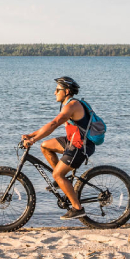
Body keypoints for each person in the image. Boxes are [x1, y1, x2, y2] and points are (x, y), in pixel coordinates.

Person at [22, 76, 96, 220]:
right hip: (73, 141)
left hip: (81, 146)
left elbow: (54, 123)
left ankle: (77, 208)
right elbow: (51, 124)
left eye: (57, 90)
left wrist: (33, 140)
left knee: (57, 174)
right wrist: (31, 135)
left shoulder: (72, 105)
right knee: (45, 146)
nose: (54, 93)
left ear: (67, 91)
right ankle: (63, 179)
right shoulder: (68, 104)